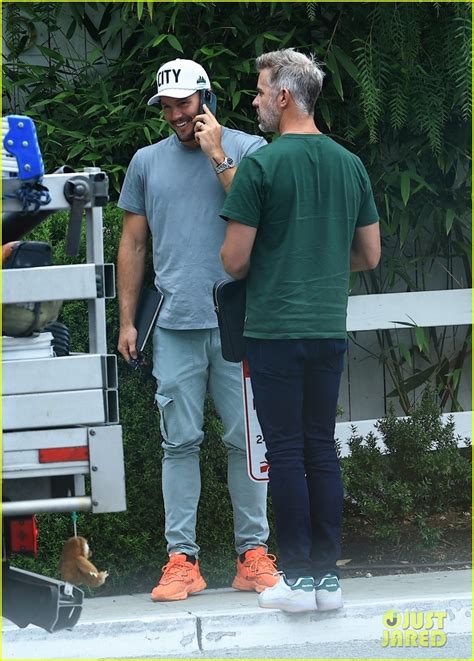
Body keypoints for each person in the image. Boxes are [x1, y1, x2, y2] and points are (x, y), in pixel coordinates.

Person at [220, 48, 381, 613]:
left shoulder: (261, 166)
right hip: (326, 328)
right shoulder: (349, 164)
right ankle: (328, 582)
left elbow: (234, 261)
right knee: (320, 447)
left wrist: (277, 258)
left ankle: (297, 579)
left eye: (262, 91)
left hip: (274, 331)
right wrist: (319, 259)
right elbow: (369, 254)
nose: (257, 101)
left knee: (284, 451)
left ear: (284, 96)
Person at [116, 58, 278, 602]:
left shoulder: (248, 150)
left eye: (184, 103)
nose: (176, 115)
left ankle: (252, 554)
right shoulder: (145, 162)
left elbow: (257, 214)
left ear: (206, 98)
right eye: (167, 106)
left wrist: (216, 156)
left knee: (245, 441)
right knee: (177, 443)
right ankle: (181, 560)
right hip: (174, 323)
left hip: (239, 320)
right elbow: (134, 244)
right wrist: (127, 319)